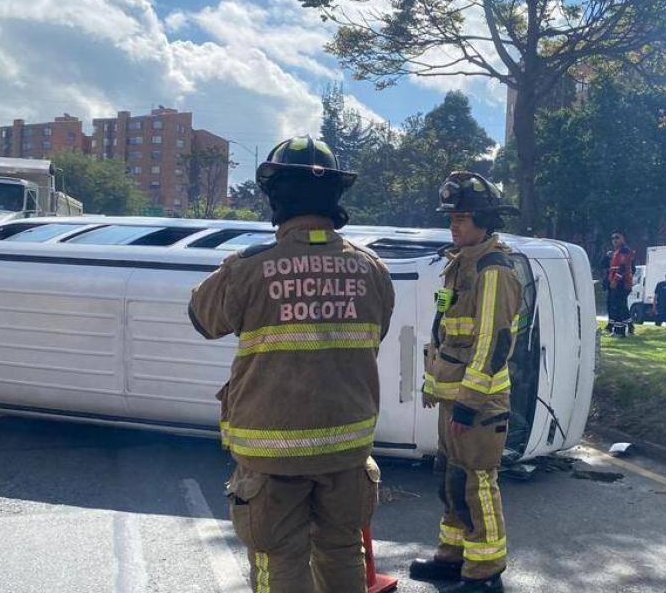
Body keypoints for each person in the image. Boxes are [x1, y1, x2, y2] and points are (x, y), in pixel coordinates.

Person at [189, 135, 396, 593]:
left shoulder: (248, 267)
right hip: (347, 449)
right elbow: (372, 336)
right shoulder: (373, 269)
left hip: (271, 453)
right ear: (335, 196)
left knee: (278, 560)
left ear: (276, 195)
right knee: (343, 553)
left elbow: (202, 318)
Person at [409, 171, 521, 592]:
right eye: (451, 217)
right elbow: (445, 331)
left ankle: (486, 571)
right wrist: (431, 382)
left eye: (462, 217)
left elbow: (493, 342)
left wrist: (470, 402)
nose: (453, 224)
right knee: (450, 478)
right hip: (451, 398)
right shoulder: (460, 264)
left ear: (485, 221)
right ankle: (453, 557)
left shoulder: (494, 270)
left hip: (478, 404)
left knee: (477, 483)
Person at [602, 230, 636, 336]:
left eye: (617, 237)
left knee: (619, 306)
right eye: (613, 238)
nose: (614, 240)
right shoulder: (616, 252)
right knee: (618, 306)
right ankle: (619, 329)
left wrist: (615, 280)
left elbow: (622, 267)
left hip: (622, 283)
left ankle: (620, 331)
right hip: (617, 282)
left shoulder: (624, 251)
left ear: (622, 238)